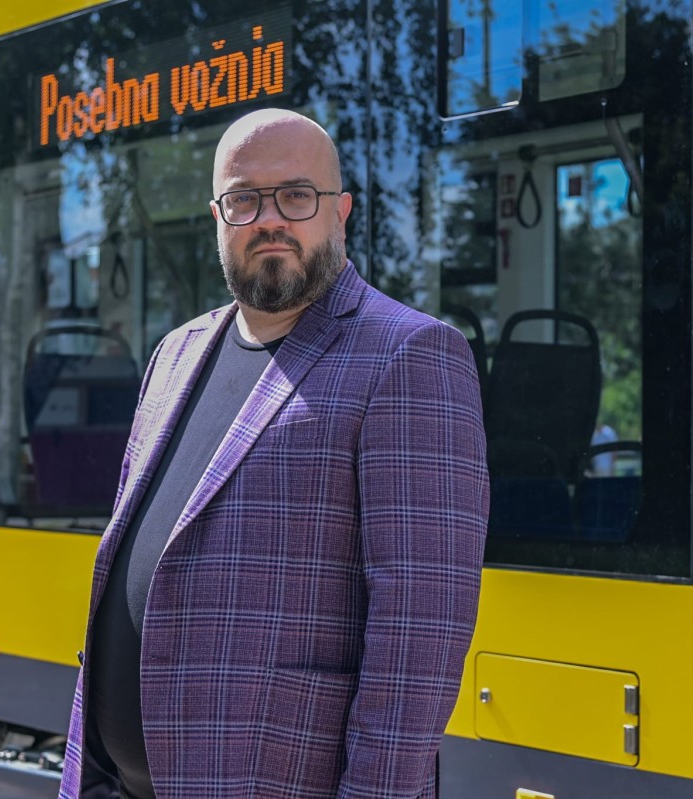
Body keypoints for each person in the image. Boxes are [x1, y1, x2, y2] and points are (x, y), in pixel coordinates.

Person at [58, 108, 489, 799]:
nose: (269, 219)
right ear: (217, 217)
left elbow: (420, 636)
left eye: (296, 195)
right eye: (244, 199)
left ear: (340, 211)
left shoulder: (409, 354)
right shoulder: (174, 354)